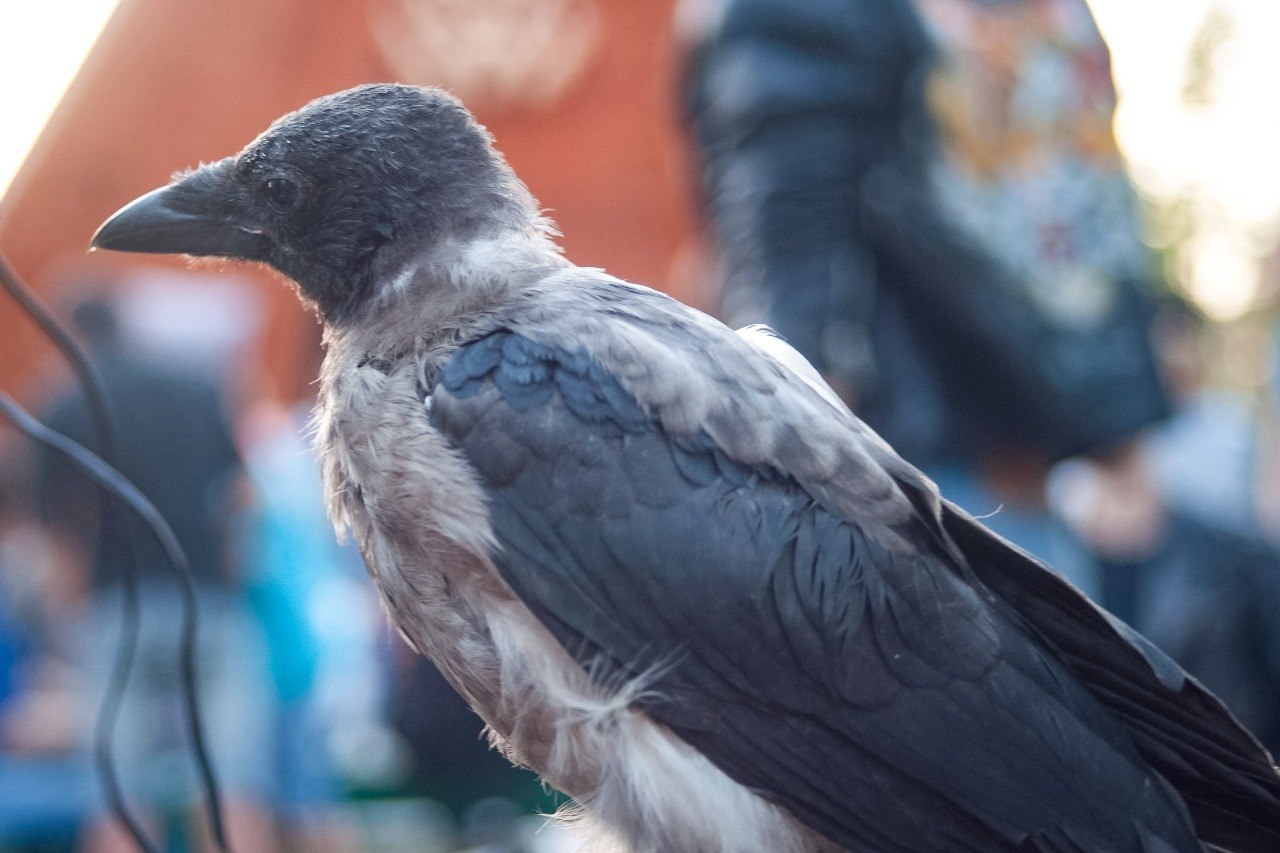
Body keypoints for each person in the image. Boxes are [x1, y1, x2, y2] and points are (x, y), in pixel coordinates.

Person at [681, 0, 1171, 597]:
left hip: (1042, 474)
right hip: (912, 483)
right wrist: (811, 468)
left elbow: (1092, 189)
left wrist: (1120, 426)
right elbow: (788, 229)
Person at [34, 292, 277, 852]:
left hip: (118, 606)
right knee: (232, 787)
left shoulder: (67, 401)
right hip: (207, 600)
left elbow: (61, 528)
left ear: (73, 333)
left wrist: (66, 615)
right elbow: (242, 497)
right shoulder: (197, 389)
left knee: (117, 796)